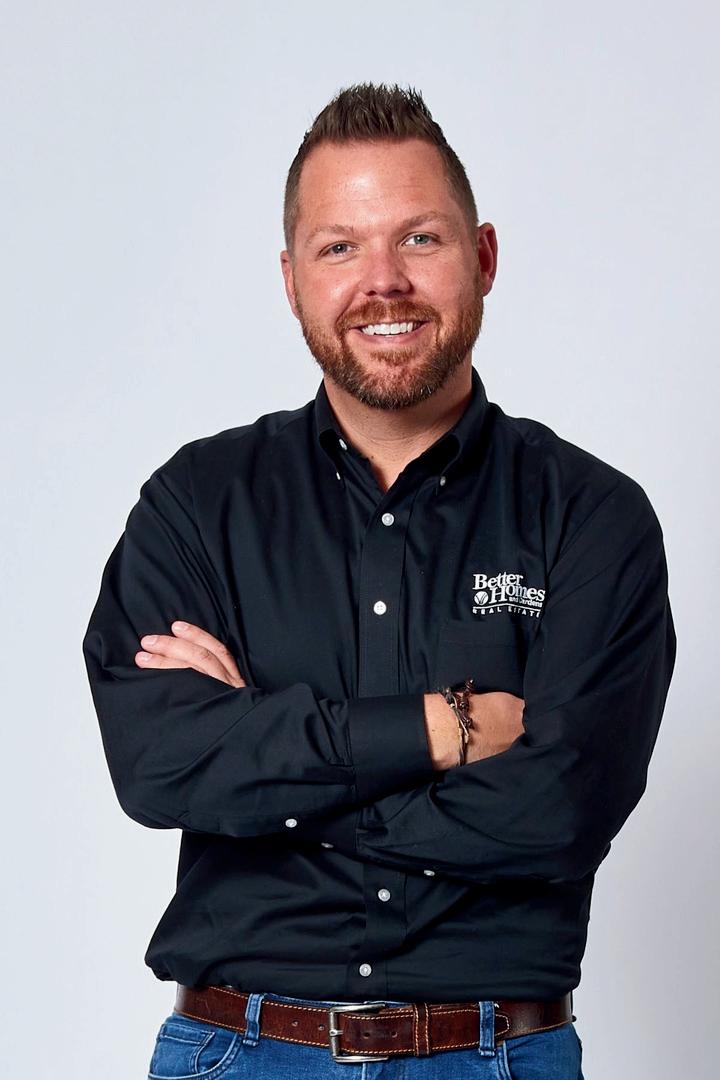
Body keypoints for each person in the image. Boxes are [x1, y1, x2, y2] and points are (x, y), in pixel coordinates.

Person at [82, 82, 676, 1079]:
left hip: (496, 1057)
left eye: (420, 239)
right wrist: (438, 732)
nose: (382, 282)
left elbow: (561, 809)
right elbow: (158, 766)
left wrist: (274, 776)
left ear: (483, 258)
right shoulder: (197, 504)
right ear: (292, 281)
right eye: (340, 247)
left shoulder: (590, 515)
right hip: (238, 1055)